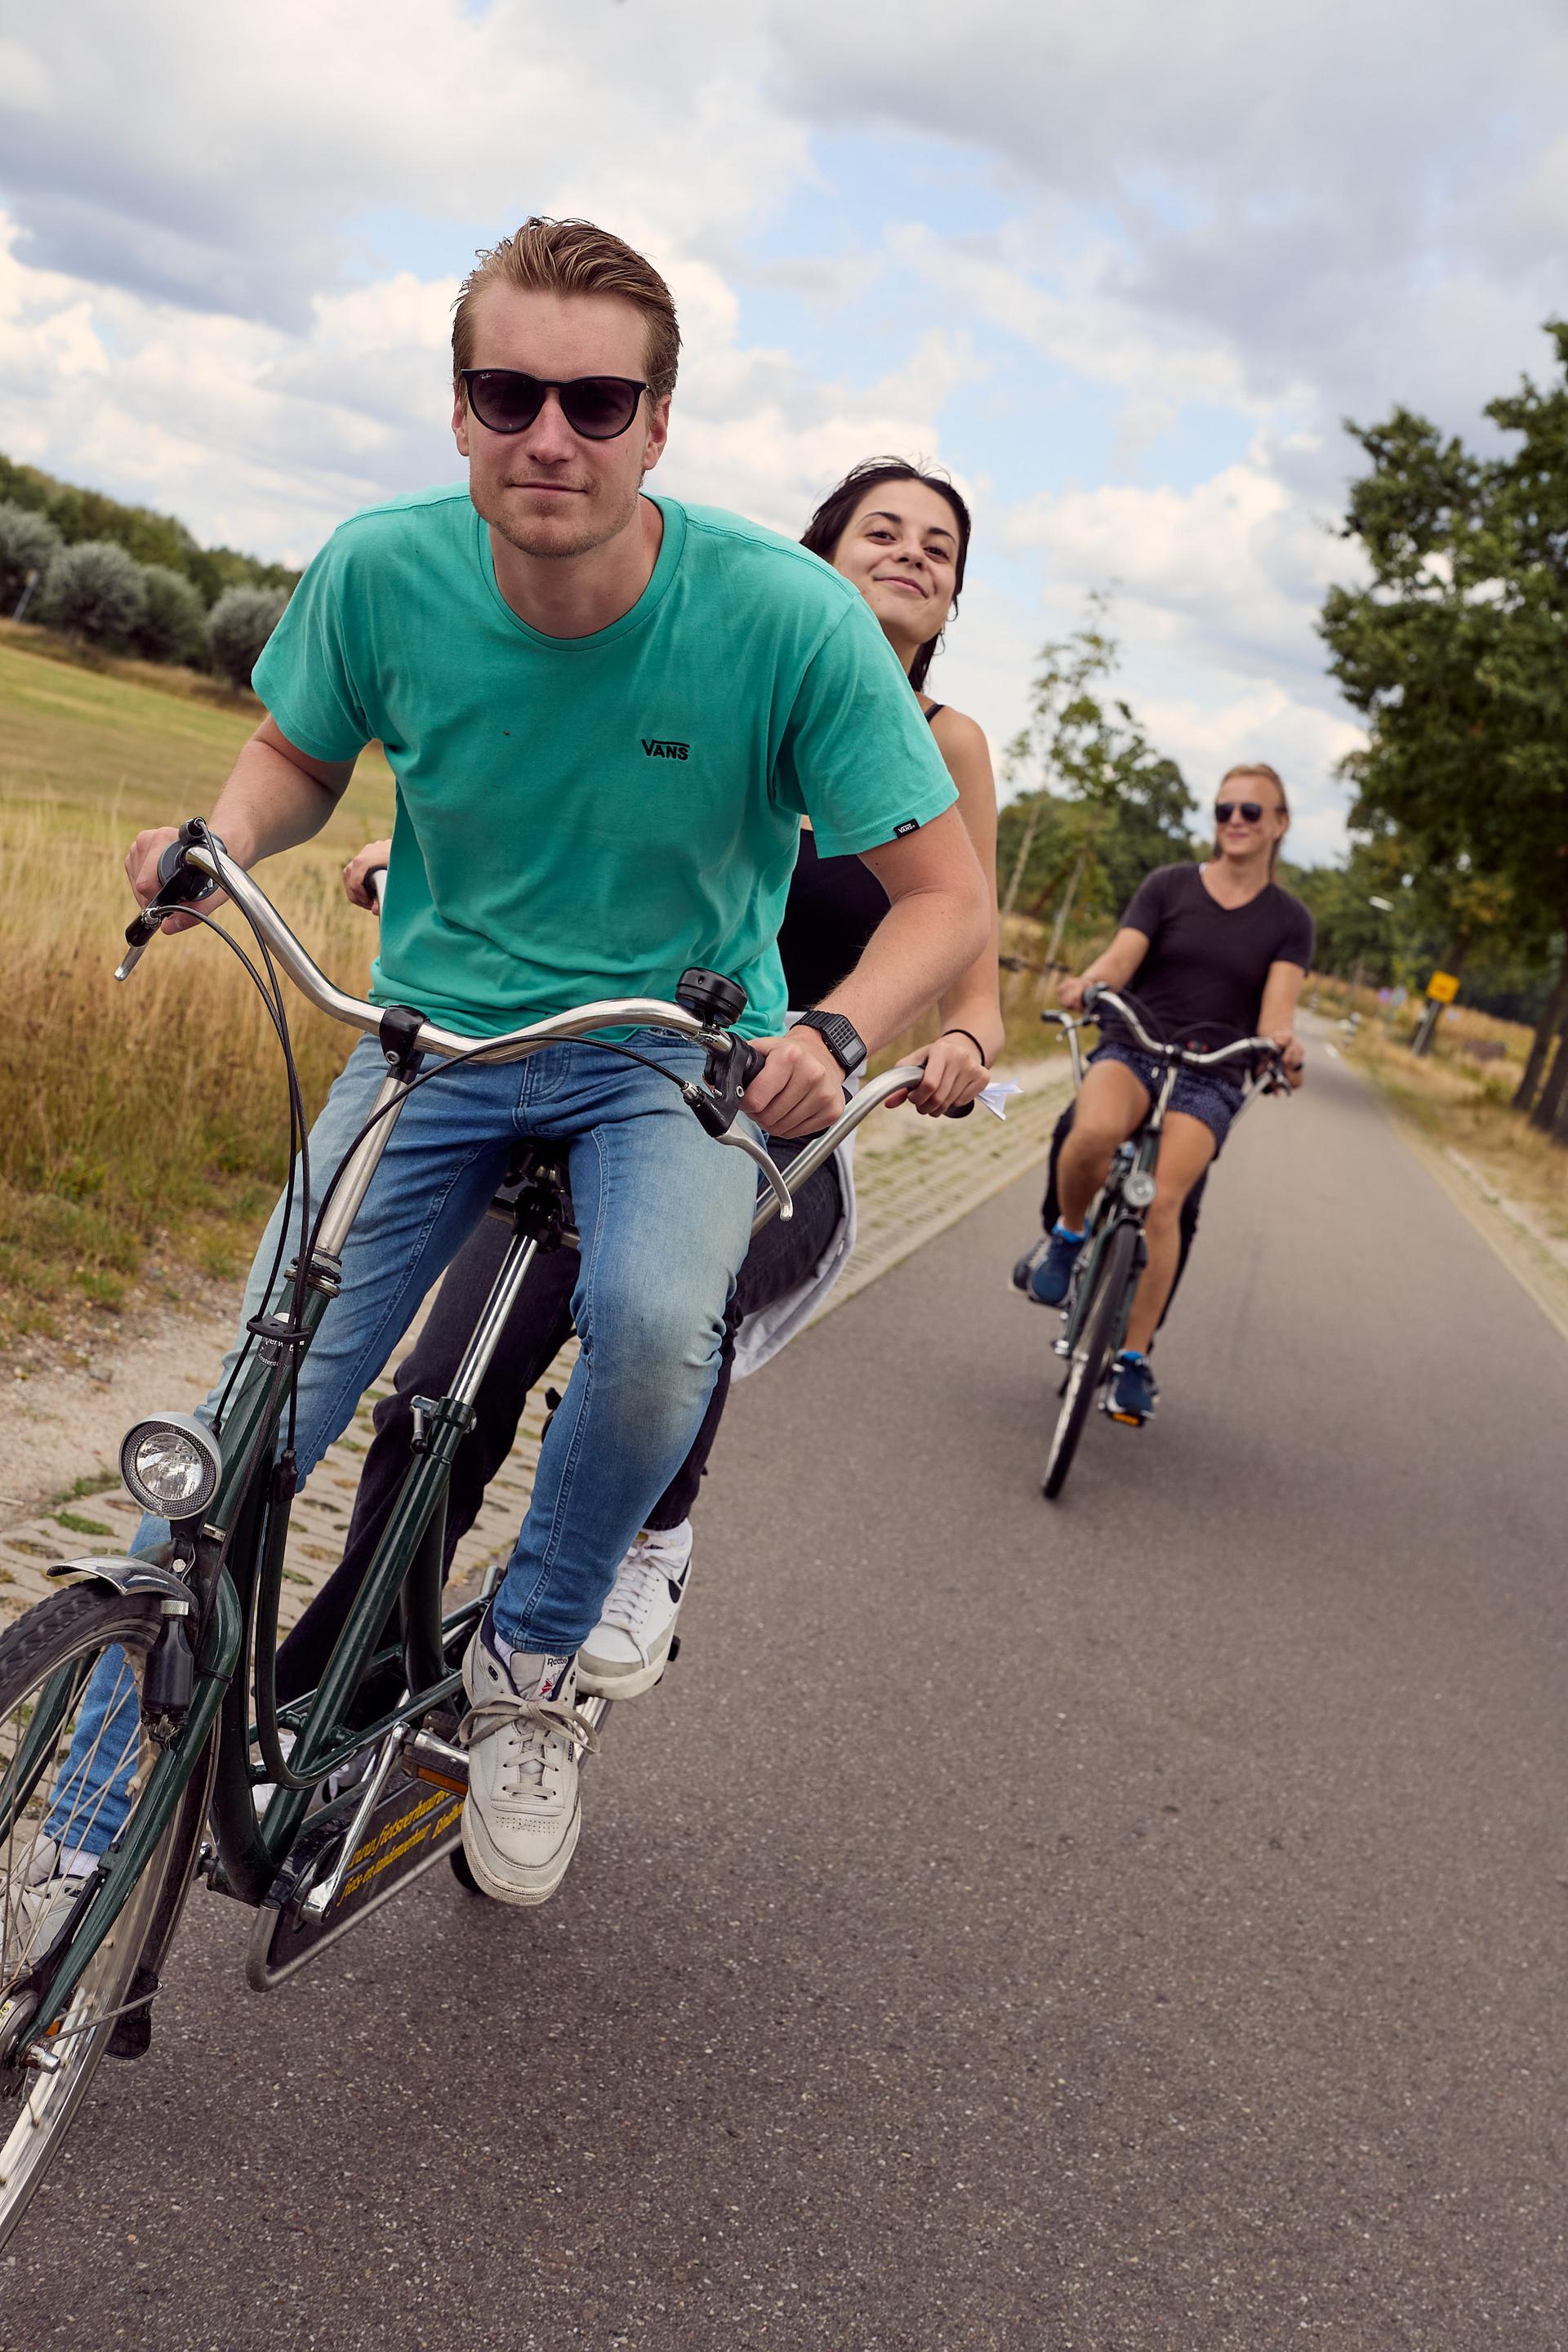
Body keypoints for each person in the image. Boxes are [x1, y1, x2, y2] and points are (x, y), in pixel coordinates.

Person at [39, 220, 990, 1914]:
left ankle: (535, 1662)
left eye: (598, 400)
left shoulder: (784, 620)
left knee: (645, 1327)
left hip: (663, 1057)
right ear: (462, 411)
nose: (552, 434)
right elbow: (293, 754)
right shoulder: (381, 570)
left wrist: (833, 1034)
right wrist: (221, 840)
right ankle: (71, 1826)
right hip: (430, 1045)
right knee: (260, 1399)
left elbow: (944, 896)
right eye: (510, 393)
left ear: (660, 423)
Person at [274, 458, 1003, 1724]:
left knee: (649, 1317)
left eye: (939, 548)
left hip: (772, 1119)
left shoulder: (949, 752)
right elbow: (577, 827)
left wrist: (961, 1048)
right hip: (586, 1064)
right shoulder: (738, 680)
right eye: (881, 531)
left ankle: (621, 1567)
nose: (912, 555)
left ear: (954, 602)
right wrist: (431, 852)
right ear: (813, 562)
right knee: (444, 1391)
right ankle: (348, 1677)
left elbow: (968, 955)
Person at [1013, 764, 1311, 1422]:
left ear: (1279, 826)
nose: (1235, 819)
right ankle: (1065, 1237)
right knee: (1089, 1133)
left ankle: (1133, 1360)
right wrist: (1087, 983)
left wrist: (1283, 1048)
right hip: (1135, 1044)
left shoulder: (1289, 920)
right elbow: (1120, 960)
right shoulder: (1169, 885)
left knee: (1165, 1201)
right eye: (1225, 807)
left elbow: (1275, 1017)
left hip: (1213, 1070)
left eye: (1252, 812)